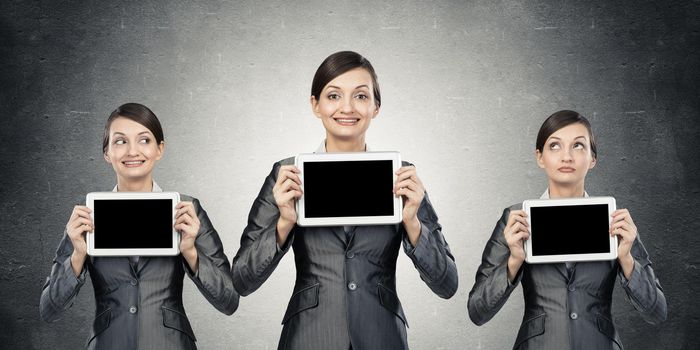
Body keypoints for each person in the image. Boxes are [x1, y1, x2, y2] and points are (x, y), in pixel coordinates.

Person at [231, 51, 458, 349]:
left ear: (376, 107)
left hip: (382, 336)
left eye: (361, 96)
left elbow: (447, 284)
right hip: (309, 336)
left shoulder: (401, 176)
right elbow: (242, 281)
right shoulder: (287, 175)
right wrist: (284, 223)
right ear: (316, 104)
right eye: (334, 95)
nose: (347, 108)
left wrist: (413, 224)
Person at [39, 103, 239, 349]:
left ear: (159, 149)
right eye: (120, 141)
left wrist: (190, 252)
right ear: (106, 152)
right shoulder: (87, 215)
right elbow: (49, 309)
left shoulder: (186, 210)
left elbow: (229, 301)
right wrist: (78, 255)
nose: (132, 151)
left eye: (144, 140)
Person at [467, 110, 667, 349]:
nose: (567, 156)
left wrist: (626, 259)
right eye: (554, 146)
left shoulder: (615, 221)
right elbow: (477, 311)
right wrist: (513, 262)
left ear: (593, 159)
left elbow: (657, 312)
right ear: (539, 157)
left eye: (578, 146)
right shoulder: (516, 220)